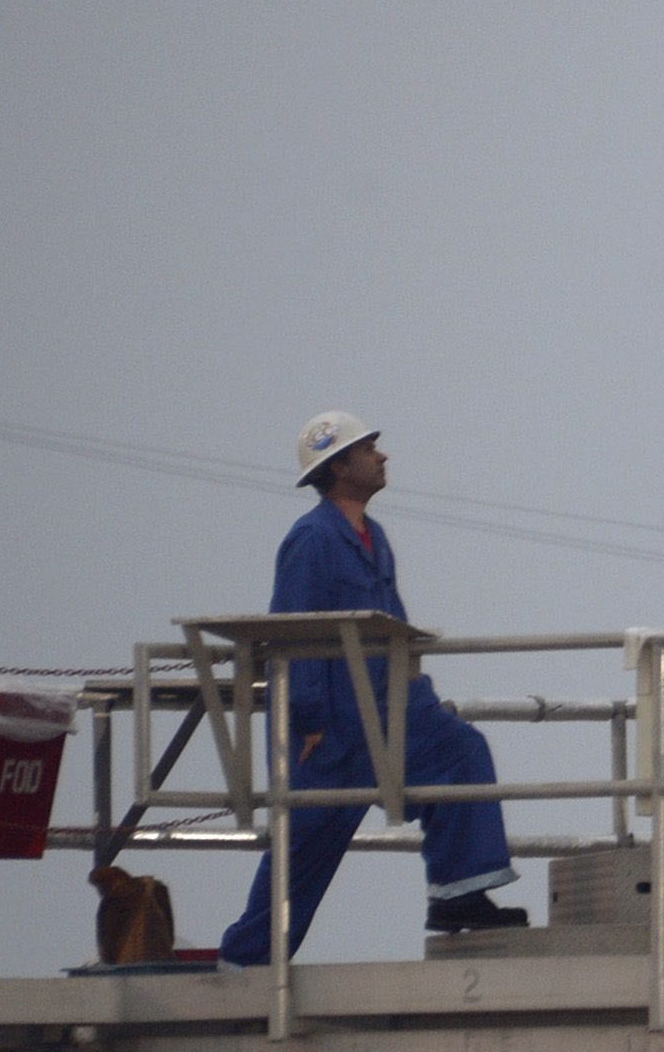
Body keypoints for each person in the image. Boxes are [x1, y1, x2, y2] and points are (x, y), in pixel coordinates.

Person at [216, 413, 525, 965]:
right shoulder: (311, 539)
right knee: (303, 852)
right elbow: (291, 632)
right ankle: (246, 963)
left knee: (460, 750)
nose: (382, 458)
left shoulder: (373, 537)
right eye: (368, 451)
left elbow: (393, 628)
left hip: (388, 713)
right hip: (329, 731)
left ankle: (458, 895)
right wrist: (308, 719)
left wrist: (422, 698)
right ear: (338, 467)